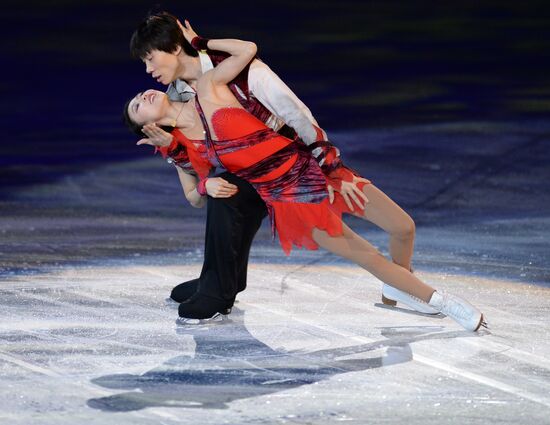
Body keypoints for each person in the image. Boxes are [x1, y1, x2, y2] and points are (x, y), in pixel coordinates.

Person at [124, 22, 487, 331]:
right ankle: (217, 288)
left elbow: (292, 109)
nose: (147, 77)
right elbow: (194, 186)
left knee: (403, 226)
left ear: (172, 48)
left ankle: (399, 287)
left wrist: (332, 167)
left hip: (308, 162)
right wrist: (182, 159)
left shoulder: (214, 84)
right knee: (230, 207)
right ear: (150, 124)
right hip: (282, 193)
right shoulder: (180, 132)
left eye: (149, 59)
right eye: (140, 102)